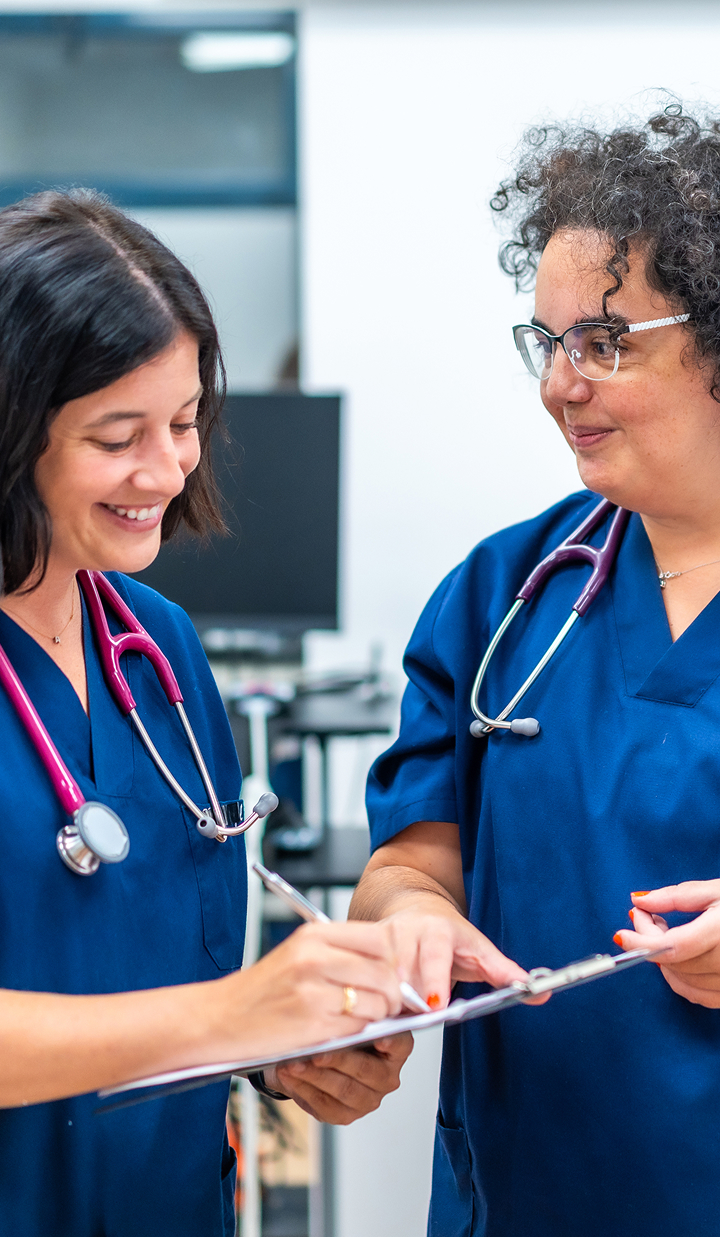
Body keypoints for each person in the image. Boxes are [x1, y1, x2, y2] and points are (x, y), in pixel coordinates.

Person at [0, 188, 411, 1236]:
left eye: (185, 423)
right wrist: (234, 1013)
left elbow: (185, 969)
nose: (167, 468)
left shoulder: (161, 651)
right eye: (116, 435)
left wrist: (282, 1053)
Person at [350, 103, 720, 1237]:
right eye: (548, 342)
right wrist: (410, 921)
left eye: (605, 342)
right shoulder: (505, 595)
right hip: (525, 1191)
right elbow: (407, 868)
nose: (560, 385)